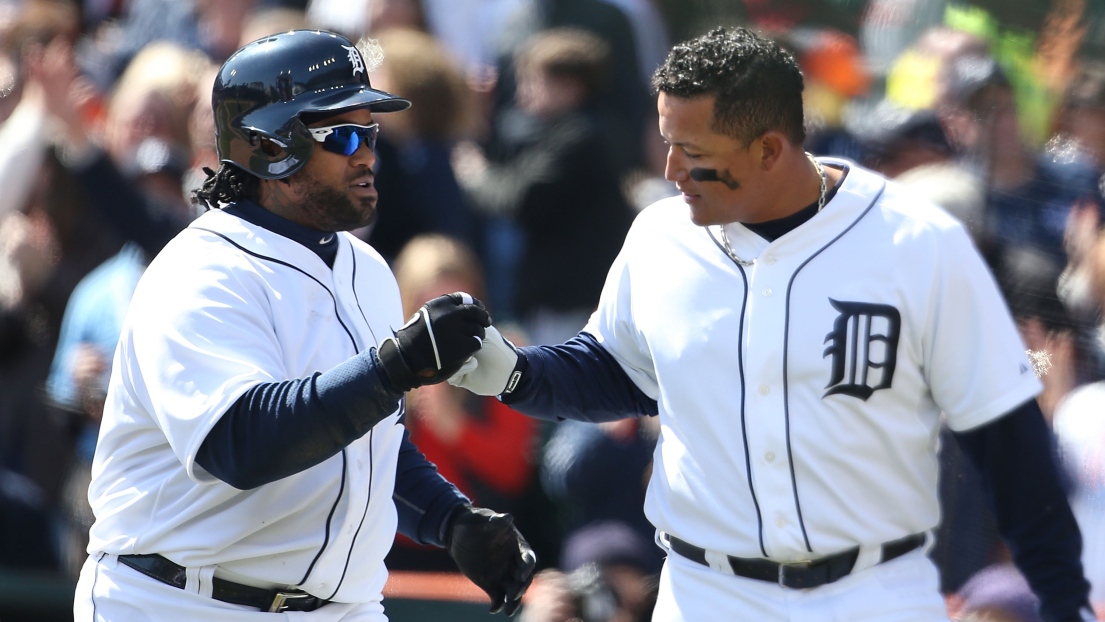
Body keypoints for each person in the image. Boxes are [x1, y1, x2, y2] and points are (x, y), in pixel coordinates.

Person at [449, 27, 1095, 621]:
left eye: (692, 150)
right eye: (667, 142)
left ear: (768, 149)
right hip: (704, 590)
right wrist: (517, 373)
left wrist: (1062, 605)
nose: (669, 170)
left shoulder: (916, 242)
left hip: (870, 591)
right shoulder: (657, 233)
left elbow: (1009, 446)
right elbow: (619, 370)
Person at [73, 30, 535, 620]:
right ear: (271, 148)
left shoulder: (366, 269)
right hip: (183, 599)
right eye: (341, 135)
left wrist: (449, 518)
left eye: (370, 132)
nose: (367, 153)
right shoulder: (201, 271)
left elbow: (367, 437)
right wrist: (395, 365)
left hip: (342, 607)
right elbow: (241, 445)